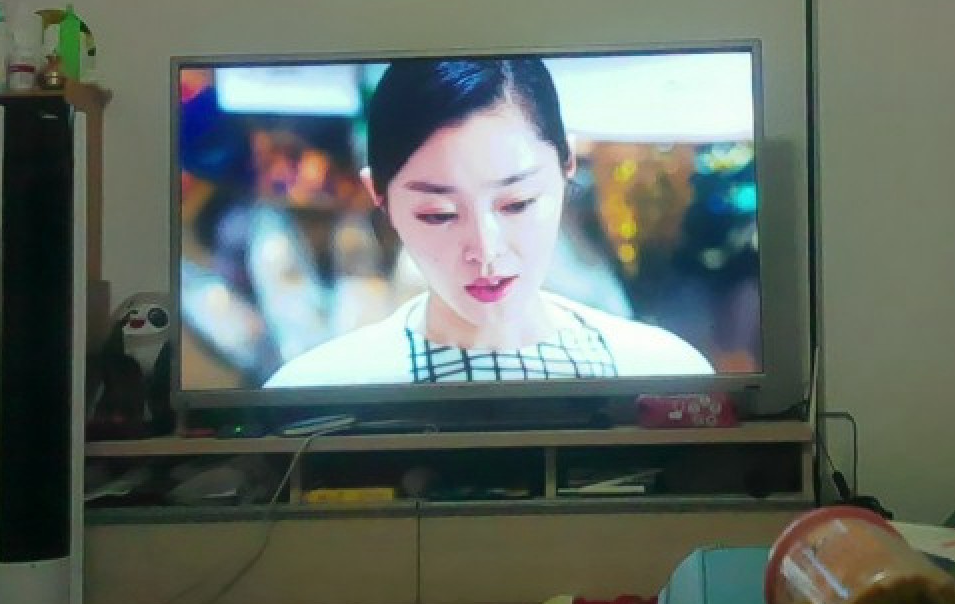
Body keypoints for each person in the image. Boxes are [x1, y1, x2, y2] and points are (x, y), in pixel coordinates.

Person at [265, 57, 713, 386]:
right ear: (379, 198)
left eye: (517, 204)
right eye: (438, 214)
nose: (486, 250)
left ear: (567, 166)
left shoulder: (663, 374)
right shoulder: (317, 393)